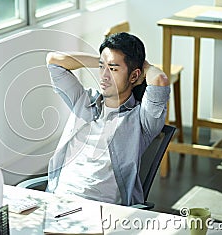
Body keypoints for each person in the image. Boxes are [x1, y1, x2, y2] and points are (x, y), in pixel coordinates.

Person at [45, 32, 170, 206]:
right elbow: (54, 60)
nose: (104, 76)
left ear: (134, 76)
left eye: (113, 69)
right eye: (101, 67)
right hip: (58, 200)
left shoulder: (140, 120)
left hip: (101, 210)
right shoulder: (83, 100)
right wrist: (103, 60)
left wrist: (143, 66)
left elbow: (160, 79)